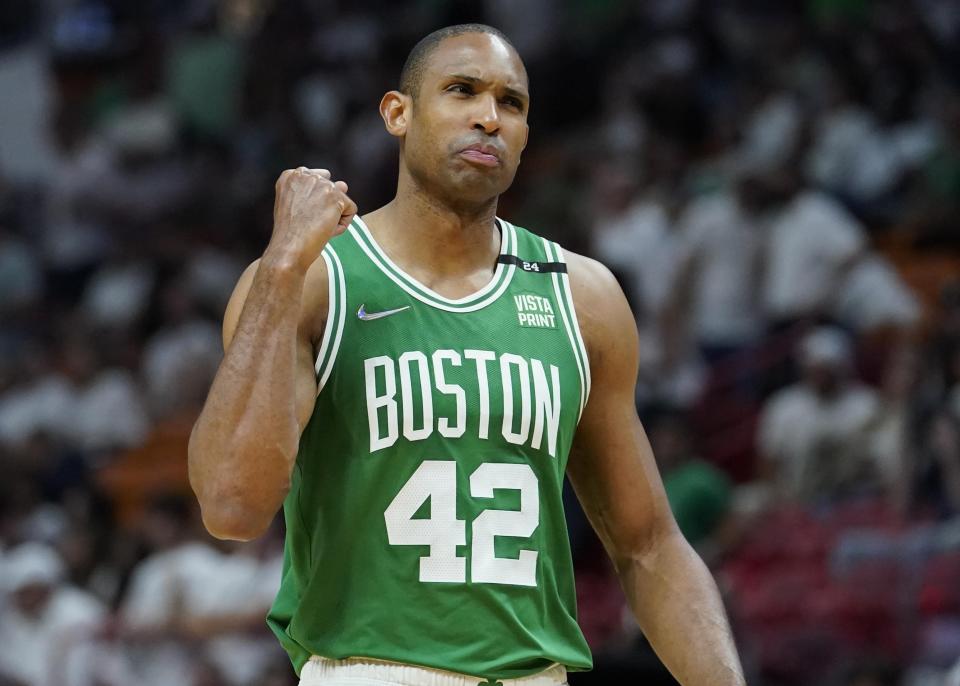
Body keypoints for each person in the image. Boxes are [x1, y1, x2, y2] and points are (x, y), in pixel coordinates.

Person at [189, 24, 745, 686]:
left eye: (511, 104)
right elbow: (231, 506)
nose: (488, 117)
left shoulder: (582, 296)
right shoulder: (314, 281)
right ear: (398, 113)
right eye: (462, 91)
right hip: (370, 670)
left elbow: (649, 545)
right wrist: (281, 263)